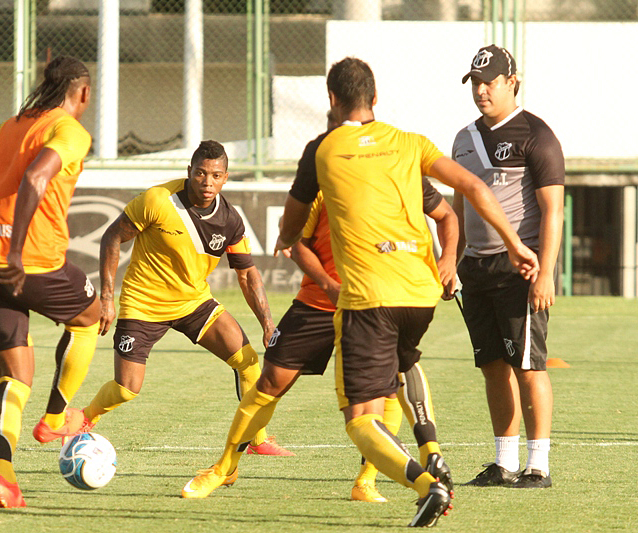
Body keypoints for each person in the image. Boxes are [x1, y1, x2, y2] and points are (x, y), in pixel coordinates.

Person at [277, 57, 537, 527]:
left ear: (332, 99)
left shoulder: (322, 149)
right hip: (420, 293)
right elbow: (472, 187)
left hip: (369, 296)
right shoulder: (409, 142)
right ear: (375, 98)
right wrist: (514, 243)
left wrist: (286, 235)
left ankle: (425, 484)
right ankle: (431, 448)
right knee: (404, 361)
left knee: (361, 419)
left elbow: (292, 226)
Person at [181, 114, 459, 505]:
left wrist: (447, 262)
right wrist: (328, 284)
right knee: (271, 382)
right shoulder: (325, 175)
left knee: (387, 391)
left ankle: (367, 481)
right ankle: (224, 468)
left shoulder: (399, 168)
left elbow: (446, 215)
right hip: (319, 301)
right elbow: (295, 241)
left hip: (374, 301)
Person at [0, 56, 100, 508]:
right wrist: (14, 250)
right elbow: (36, 176)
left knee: (15, 377)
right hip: (30, 260)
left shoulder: (8, 127)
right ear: (83, 93)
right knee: (91, 316)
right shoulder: (69, 129)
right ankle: (55, 419)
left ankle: (4, 478)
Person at [67, 140, 292, 457]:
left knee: (249, 362)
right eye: (201, 173)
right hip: (144, 304)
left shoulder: (230, 220)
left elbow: (247, 274)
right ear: (189, 171)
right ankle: (85, 417)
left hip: (193, 303)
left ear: (225, 178)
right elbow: (112, 237)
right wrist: (107, 298)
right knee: (126, 389)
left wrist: (267, 325)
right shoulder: (158, 200)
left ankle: (257, 440)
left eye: (216, 175)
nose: (207, 182)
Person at [452, 45, 564, 489]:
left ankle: (538, 465)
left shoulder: (536, 135)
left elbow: (553, 210)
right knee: (493, 365)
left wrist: (546, 273)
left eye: (490, 82)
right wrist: (451, 261)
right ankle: (504, 462)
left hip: (521, 268)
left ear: (512, 82)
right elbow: (459, 206)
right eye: (475, 83)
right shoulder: (463, 138)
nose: (481, 90)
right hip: (476, 269)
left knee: (528, 366)